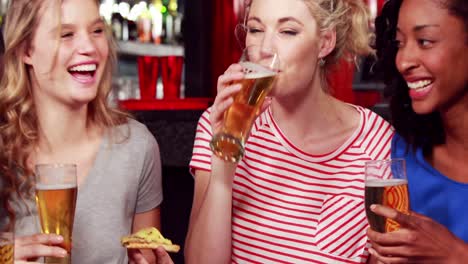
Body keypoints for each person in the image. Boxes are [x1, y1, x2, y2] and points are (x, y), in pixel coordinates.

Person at [185, 0, 394, 263]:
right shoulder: (220, 124)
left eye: (288, 31)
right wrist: (225, 161)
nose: (264, 49)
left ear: (324, 43)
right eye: (255, 30)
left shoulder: (378, 143)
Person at [0, 0, 172, 263]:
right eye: (66, 34)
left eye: (97, 30)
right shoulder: (4, 150)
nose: (90, 48)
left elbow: (147, 254)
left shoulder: (137, 147)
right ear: (26, 50)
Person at [367, 0, 468, 262]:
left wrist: (454, 254)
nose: (403, 62)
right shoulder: (397, 157)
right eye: (400, 43)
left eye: (424, 41)